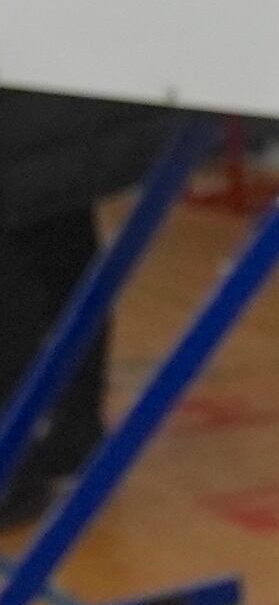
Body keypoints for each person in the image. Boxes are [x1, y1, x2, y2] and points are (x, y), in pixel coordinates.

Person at [0, 88, 171, 532]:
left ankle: (17, 460)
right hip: (61, 102)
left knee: (28, 249)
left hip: (31, 103)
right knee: (54, 232)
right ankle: (65, 433)